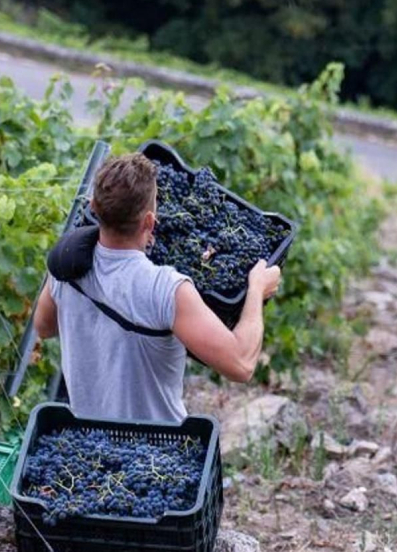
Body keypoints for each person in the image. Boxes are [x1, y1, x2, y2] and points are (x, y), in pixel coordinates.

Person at [32, 153, 281, 422]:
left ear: (93, 207)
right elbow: (241, 364)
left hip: (90, 442)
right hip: (156, 453)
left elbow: (43, 327)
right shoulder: (166, 289)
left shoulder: (66, 264)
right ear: (150, 222)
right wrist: (256, 290)